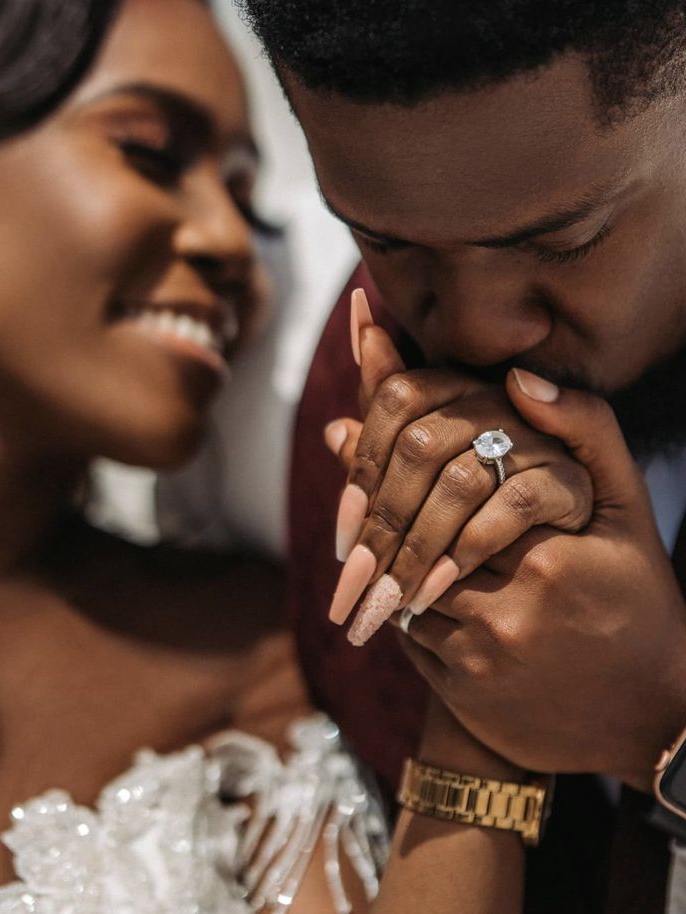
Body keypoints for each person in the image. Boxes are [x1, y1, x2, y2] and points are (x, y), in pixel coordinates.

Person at [0, 2, 550, 912]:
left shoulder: (248, 655)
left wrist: (481, 674)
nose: (234, 246)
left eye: (243, 195)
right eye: (150, 153)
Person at [235, 1, 686, 910]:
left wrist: (656, 722)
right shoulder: (364, 399)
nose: (479, 332)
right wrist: (479, 693)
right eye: (385, 241)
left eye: (563, 242)